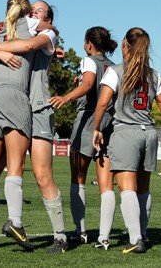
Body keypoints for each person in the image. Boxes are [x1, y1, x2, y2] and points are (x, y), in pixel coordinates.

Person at [0, 0, 67, 253]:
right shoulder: (18, 31)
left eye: (40, 10)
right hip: (15, 103)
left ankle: (60, 237)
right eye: (32, 9)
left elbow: (31, 43)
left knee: (41, 175)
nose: (34, 12)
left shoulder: (45, 34)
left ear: (47, 18)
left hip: (37, 107)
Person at [92, 27, 161, 254]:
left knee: (127, 188)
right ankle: (142, 234)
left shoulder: (116, 71)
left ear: (125, 44)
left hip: (126, 133)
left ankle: (135, 240)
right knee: (143, 189)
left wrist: (96, 128)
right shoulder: (154, 74)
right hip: (149, 133)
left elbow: (103, 104)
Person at [0, 0, 45, 252]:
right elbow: (35, 42)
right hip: (13, 94)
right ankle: (15, 221)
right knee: (15, 165)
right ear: (28, 11)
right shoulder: (34, 23)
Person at [50, 26, 116, 245]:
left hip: (89, 120)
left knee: (78, 178)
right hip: (110, 122)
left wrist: (67, 97)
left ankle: (81, 232)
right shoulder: (113, 66)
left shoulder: (89, 60)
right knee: (106, 184)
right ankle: (104, 236)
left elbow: (89, 84)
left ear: (89, 43)